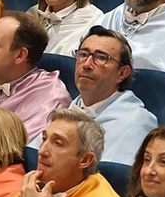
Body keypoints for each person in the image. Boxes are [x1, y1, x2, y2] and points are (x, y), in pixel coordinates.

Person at [32, 27, 157, 163]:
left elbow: (114, 179)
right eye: (83, 55)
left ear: (122, 73)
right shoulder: (66, 112)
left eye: (101, 58)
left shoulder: (135, 121)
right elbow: (31, 158)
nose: (87, 65)